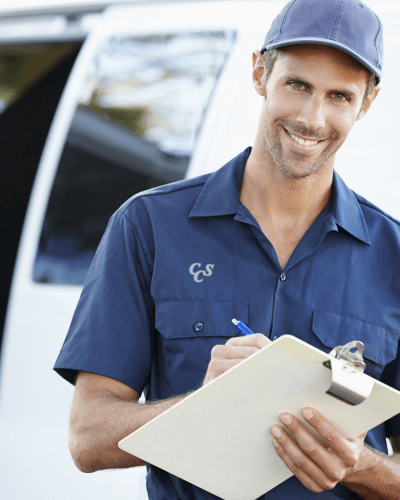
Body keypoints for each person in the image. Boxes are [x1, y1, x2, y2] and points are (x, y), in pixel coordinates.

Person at [54, 0, 400, 498]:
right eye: (297, 85)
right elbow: (88, 436)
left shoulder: (392, 257)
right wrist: (204, 405)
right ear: (261, 72)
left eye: (340, 96)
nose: (312, 117)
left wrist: (357, 464)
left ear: (366, 104)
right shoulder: (149, 226)